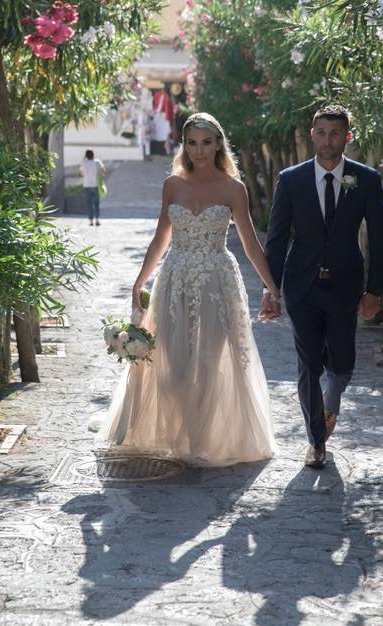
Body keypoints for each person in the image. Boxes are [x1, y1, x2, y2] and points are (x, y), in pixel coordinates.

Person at [99, 112, 278, 466]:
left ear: (218, 144)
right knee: (173, 366)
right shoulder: (173, 185)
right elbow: (160, 237)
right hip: (174, 279)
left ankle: (201, 441)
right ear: (185, 145)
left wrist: (272, 286)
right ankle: (175, 431)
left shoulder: (233, 188)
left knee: (209, 363)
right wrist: (140, 280)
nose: (199, 151)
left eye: (206, 143)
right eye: (192, 143)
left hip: (217, 281)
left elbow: (250, 243)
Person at [262, 104, 383, 469]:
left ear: (347, 137)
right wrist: (271, 289)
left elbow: (381, 238)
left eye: (335, 133)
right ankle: (316, 440)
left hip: (345, 284)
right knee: (307, 363)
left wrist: (375, 290)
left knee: (342, 360)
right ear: (312, 134)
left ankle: (330, 404)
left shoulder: (366, 179)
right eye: (321, 132)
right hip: (301, 285)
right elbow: (276, 238)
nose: (327, 140)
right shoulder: (291, 179)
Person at [79, 149, 106, 226]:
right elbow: (104, 171)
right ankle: (97, 220)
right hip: (96, 186)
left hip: (86, 185)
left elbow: (80, 173)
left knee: (89, 204)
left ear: (86, 155)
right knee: (96, 203)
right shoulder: (97, 162)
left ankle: (91, 221)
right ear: (93, 154)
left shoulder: (84, 162)